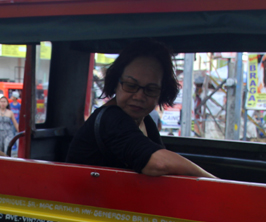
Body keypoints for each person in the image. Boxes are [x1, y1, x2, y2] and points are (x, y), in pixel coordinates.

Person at [66, 40, 215, 178]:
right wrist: (215, 182)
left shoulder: (145, 120)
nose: (139, 96)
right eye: (131, 86)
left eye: (150, 90)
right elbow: (158, 163)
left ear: (162, 92)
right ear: (116, 83)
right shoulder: (110, 118)